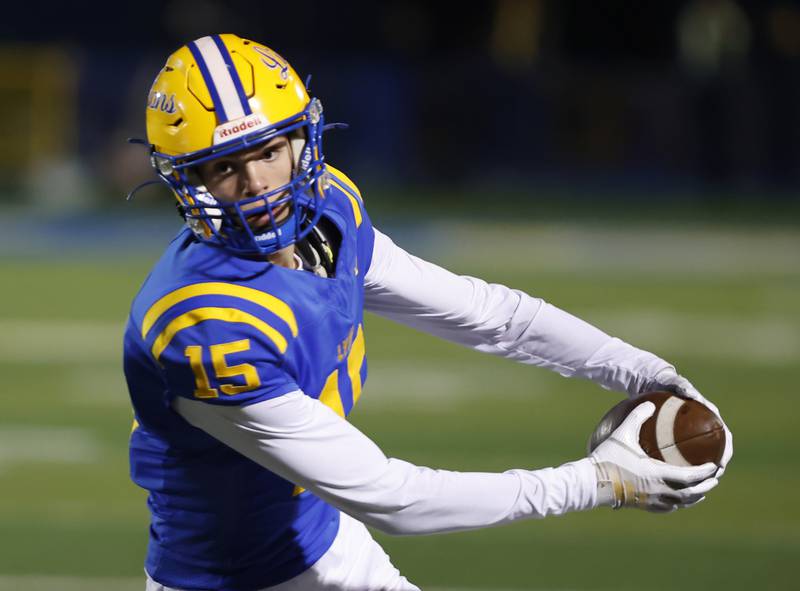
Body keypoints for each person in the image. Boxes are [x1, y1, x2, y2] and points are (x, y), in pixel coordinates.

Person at [125, 34, 732, 591]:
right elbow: (393, 499)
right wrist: (601, 481)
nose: (257, 183)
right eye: (224, 167)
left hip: (327, 539)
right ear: (188, 181)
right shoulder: (205, 324)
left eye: (269, 150)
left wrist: (641, 371)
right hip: (231, 580)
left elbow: (491, 316)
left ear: (301, 142)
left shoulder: (331, 212)